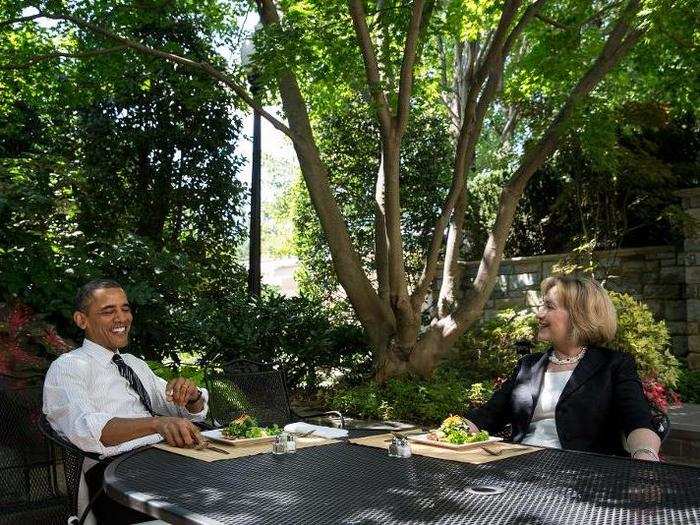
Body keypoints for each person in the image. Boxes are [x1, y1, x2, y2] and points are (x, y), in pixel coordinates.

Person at [43, 279, 210, 524]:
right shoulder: (68, 368)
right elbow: (85, 430)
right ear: (82, 320)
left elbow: (182, 411)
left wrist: (192, 397)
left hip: (169, 461)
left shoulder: (133, 363)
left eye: (125, 308)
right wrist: (156, 424)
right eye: (108, 311)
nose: (122, 318)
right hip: (115, 477)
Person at [464, 275, 661, 461]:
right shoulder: (528, 365)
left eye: (549, 306)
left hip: (583, 477)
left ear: (579, 315)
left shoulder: (614, 365)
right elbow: (486, 416)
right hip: (519, 469)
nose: (539, 314)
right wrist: (450, 429)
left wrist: (645, 456)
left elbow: (638, 423)